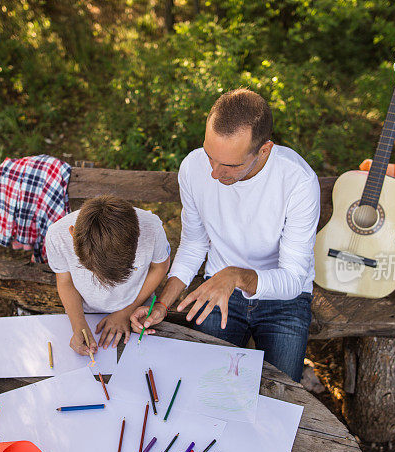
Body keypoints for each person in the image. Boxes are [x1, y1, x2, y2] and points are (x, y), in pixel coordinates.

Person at [130, 88, 319, 382]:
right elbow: (193, 245)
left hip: (284, 300)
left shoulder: (299, 181)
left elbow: (294, 279)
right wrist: (162, 306)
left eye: (230, 165)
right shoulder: (193, 168)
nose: (215, 174)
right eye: (210, 155)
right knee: (210, 386)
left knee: (280, 395)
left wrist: (237, 276)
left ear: (265, 150)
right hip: (217, 289)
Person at [45, 195, 171, 356]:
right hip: (87, 312)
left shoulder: (151, 228)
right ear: (72, 233)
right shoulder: (57, 236)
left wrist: (126, 311)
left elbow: (160, 267)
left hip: (138, 307)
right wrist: (79, 324)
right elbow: (65, 281)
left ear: (137, 236)